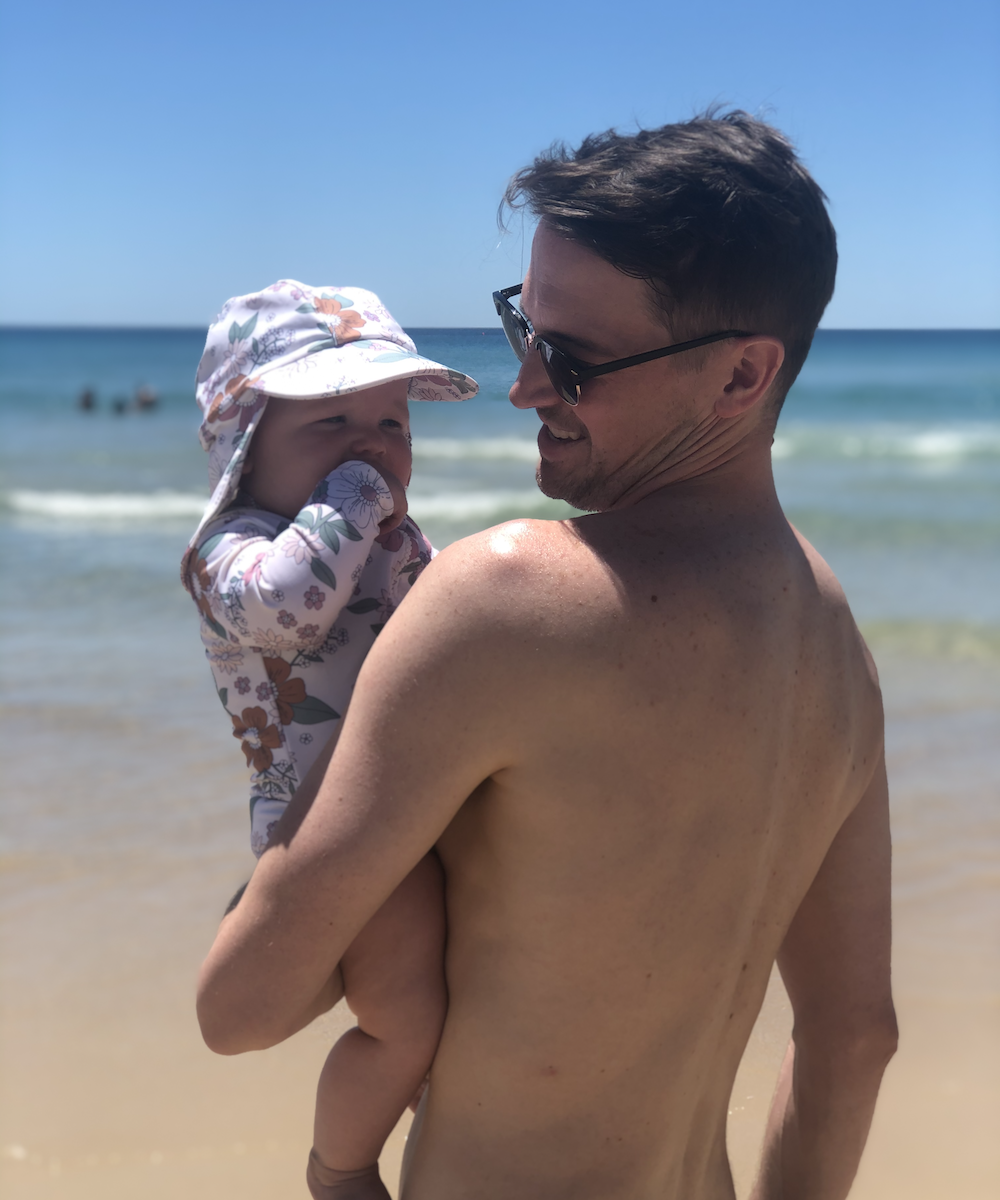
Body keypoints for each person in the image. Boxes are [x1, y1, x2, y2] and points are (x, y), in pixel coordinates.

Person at [196, 113, 898, 1200]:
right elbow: (854, 1041)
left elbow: (239, 1013)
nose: (523, 384)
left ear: (740, 378)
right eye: (522, 325)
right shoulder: (837, 650)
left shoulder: (505, 600)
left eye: (569, 358)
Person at [182, 279, 477, 1199]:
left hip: (409, 809)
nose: (373, 447)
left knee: (457, 1003)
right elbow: (285, 608)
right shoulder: (227, 554)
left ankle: (453, 1123)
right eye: (332, 421)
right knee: (402, 1019)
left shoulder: (383, 540)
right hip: (330, 834)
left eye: (392, 423)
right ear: (243, 447)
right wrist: (356, 493)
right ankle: (341, 1169)